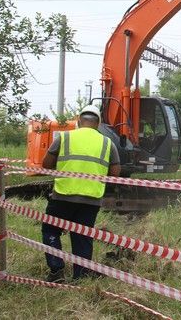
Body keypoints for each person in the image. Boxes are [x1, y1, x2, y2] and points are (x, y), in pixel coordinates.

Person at [41, 104, 120, 282]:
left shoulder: (64, 137)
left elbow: (46, 164)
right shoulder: (108, 143)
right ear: (98, 124)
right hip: (91, 199)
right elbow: (115, 174)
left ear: (78, 121)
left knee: (50, 230)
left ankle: (56, 270)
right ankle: (81, 275)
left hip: (62, 196)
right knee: (82, 236)